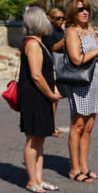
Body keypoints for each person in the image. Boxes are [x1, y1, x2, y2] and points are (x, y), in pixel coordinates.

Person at [18, 5, 62, 193]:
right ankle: (31, 181)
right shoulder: (33, 44)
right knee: (33, 139)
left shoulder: (39, 42)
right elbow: (36, 75)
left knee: (40, 139)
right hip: (35, 97)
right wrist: (50, 93)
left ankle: (39, 178)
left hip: (40, 96)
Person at [61, 0, 98, 182]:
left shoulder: (90, 29)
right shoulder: (72, 31)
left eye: (87, 8)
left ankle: (85, 167)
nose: (85, 12)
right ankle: (74, 169)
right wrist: (96, 52)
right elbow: (76, 59)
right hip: (79, 82)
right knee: (77, 125)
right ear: (73, 12)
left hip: (93, 81)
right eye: (80, 9)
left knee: (88, 127)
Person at [41, 7, 66, 136]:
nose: (61, 20)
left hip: (60, 68)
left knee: (56, 99)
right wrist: (66, 38)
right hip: (51, 68)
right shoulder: (48, 32)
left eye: (63, 18)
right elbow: (54, 48)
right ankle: (49, 127)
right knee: (52, 99)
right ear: (50, 18)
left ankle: (51, 125)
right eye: (58, 18)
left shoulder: (60, 31)